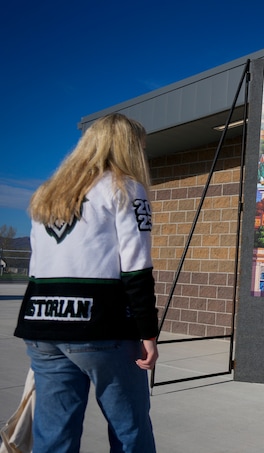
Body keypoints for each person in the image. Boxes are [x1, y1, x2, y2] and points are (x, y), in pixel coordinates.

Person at [14, 113, 159, 452]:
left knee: (53, 437)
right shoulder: (126, 189)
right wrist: (148, 333)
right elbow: (136, 270)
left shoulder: (47, 195)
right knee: (130, 431)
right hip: (100, 328)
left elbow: (37, 268)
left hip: (42, 327)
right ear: (128, 147)